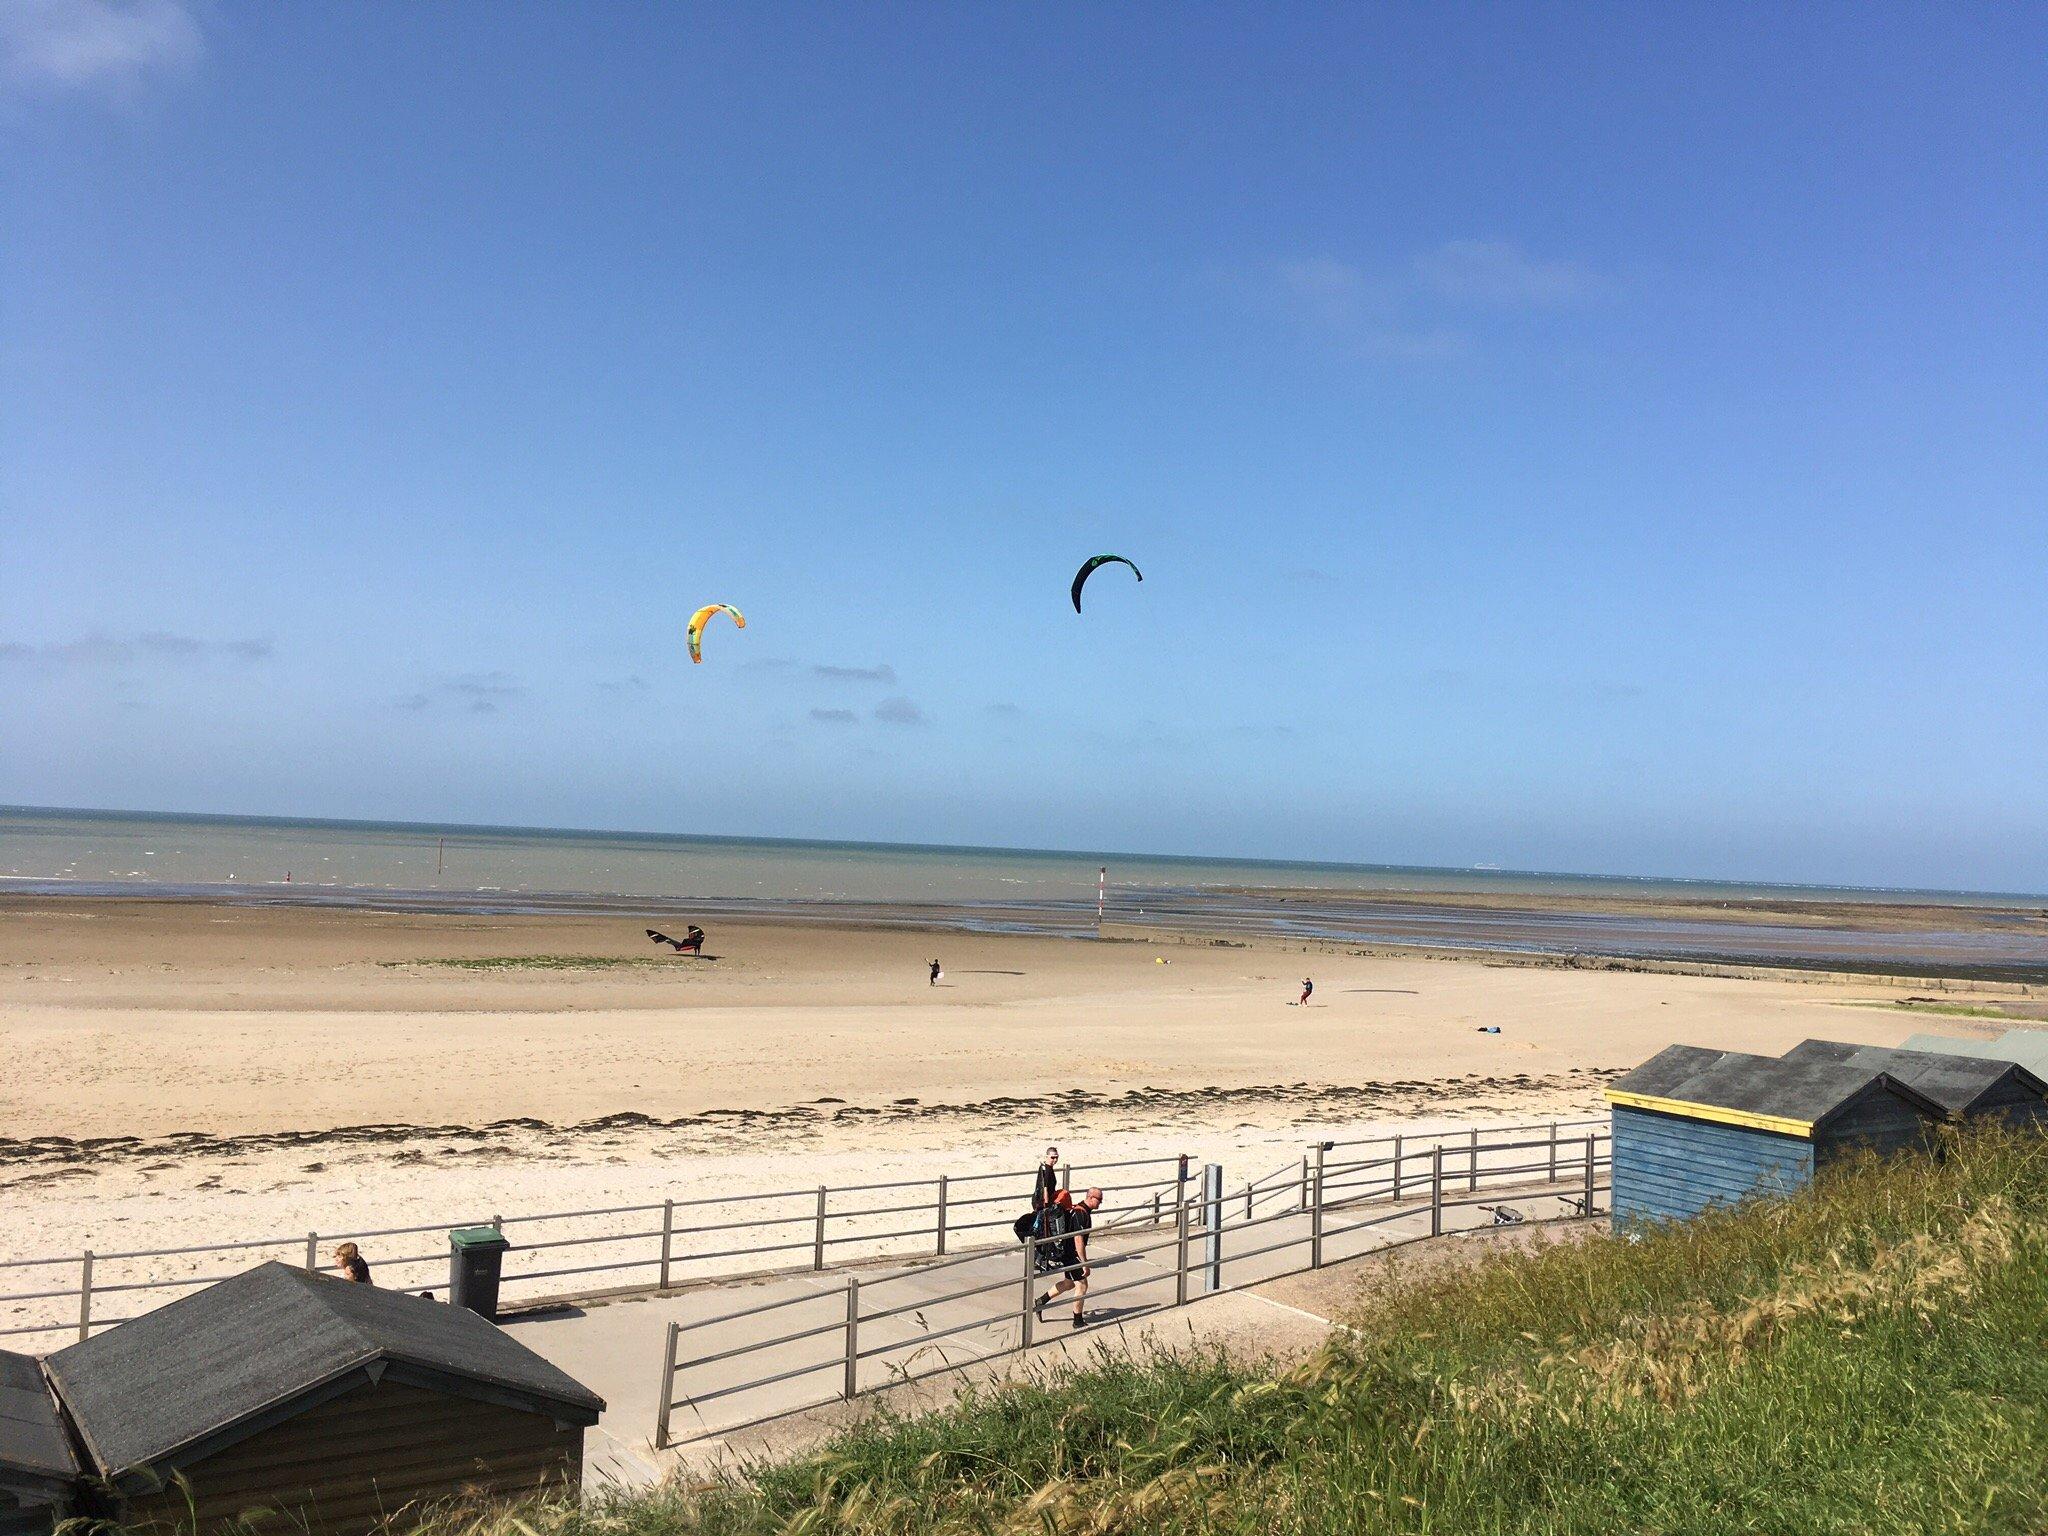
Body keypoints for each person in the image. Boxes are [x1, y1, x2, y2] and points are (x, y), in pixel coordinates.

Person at [1035, 1187, 1102, 1327]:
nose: (1100, 1203)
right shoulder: (1080, 1213)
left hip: (1067, 1253)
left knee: (1069, 1283)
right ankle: (1077, 1321)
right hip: (1072, 1255)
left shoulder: (1078, 1210)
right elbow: (1078, 1239)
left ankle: (1041, 1301)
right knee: (1082, 1285)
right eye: (1099, 1200)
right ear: (1090, 1197)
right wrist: (1084, 1263)